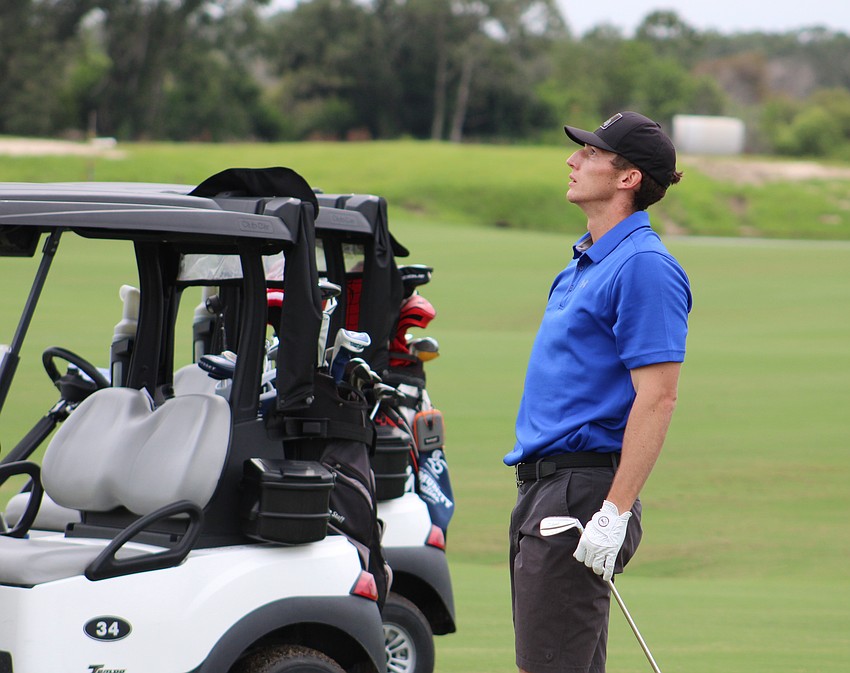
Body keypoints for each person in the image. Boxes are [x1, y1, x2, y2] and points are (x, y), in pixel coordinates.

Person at [505, 111, 692, 673]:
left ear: (627, 177)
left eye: (590, 153)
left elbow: (657, 397)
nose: (573, 159)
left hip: (581, 495)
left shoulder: (645, 268)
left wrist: (613, 512)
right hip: (545, 490)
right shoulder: (585, 261)